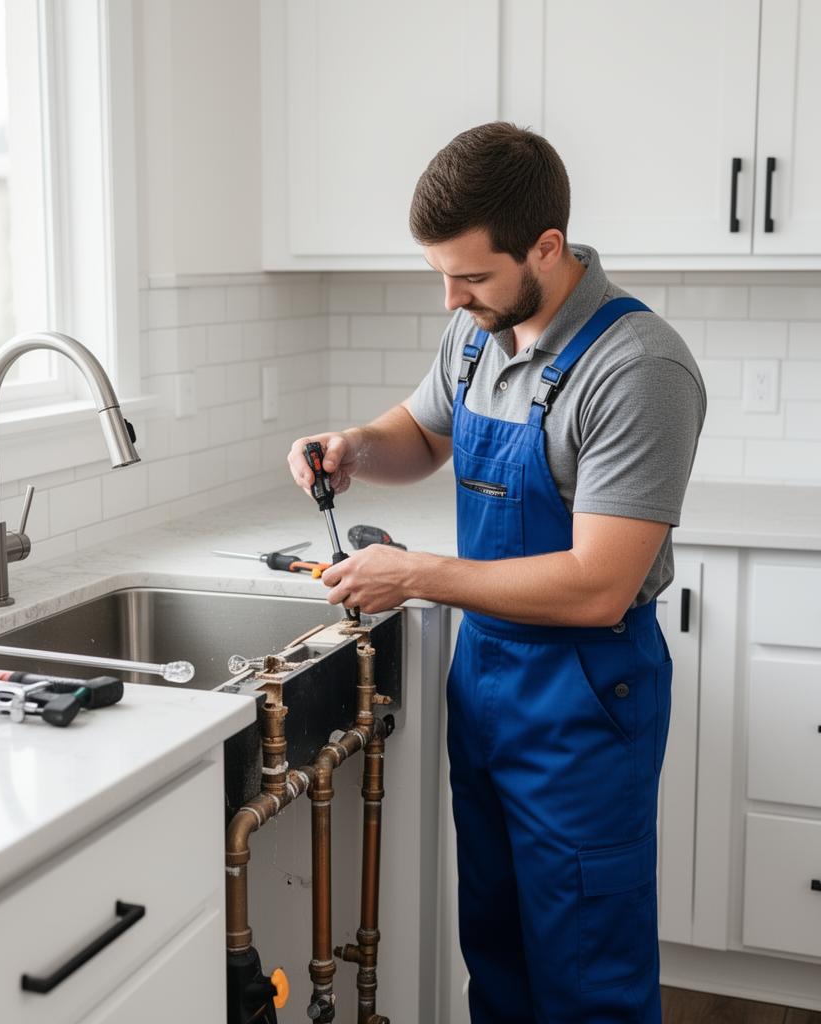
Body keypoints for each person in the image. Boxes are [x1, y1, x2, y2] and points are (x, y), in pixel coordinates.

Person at [287, 122, 706, 1023]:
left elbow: (599, 584)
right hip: (487, 686)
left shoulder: (637, 368)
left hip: (585, 700)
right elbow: (424, 435)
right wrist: (357, 445)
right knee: (501, 949)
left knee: (586, 969)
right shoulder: (482, 332)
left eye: (471, 276)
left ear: (547, 248)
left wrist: (416, 573)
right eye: (442, 273)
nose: (451, 297)